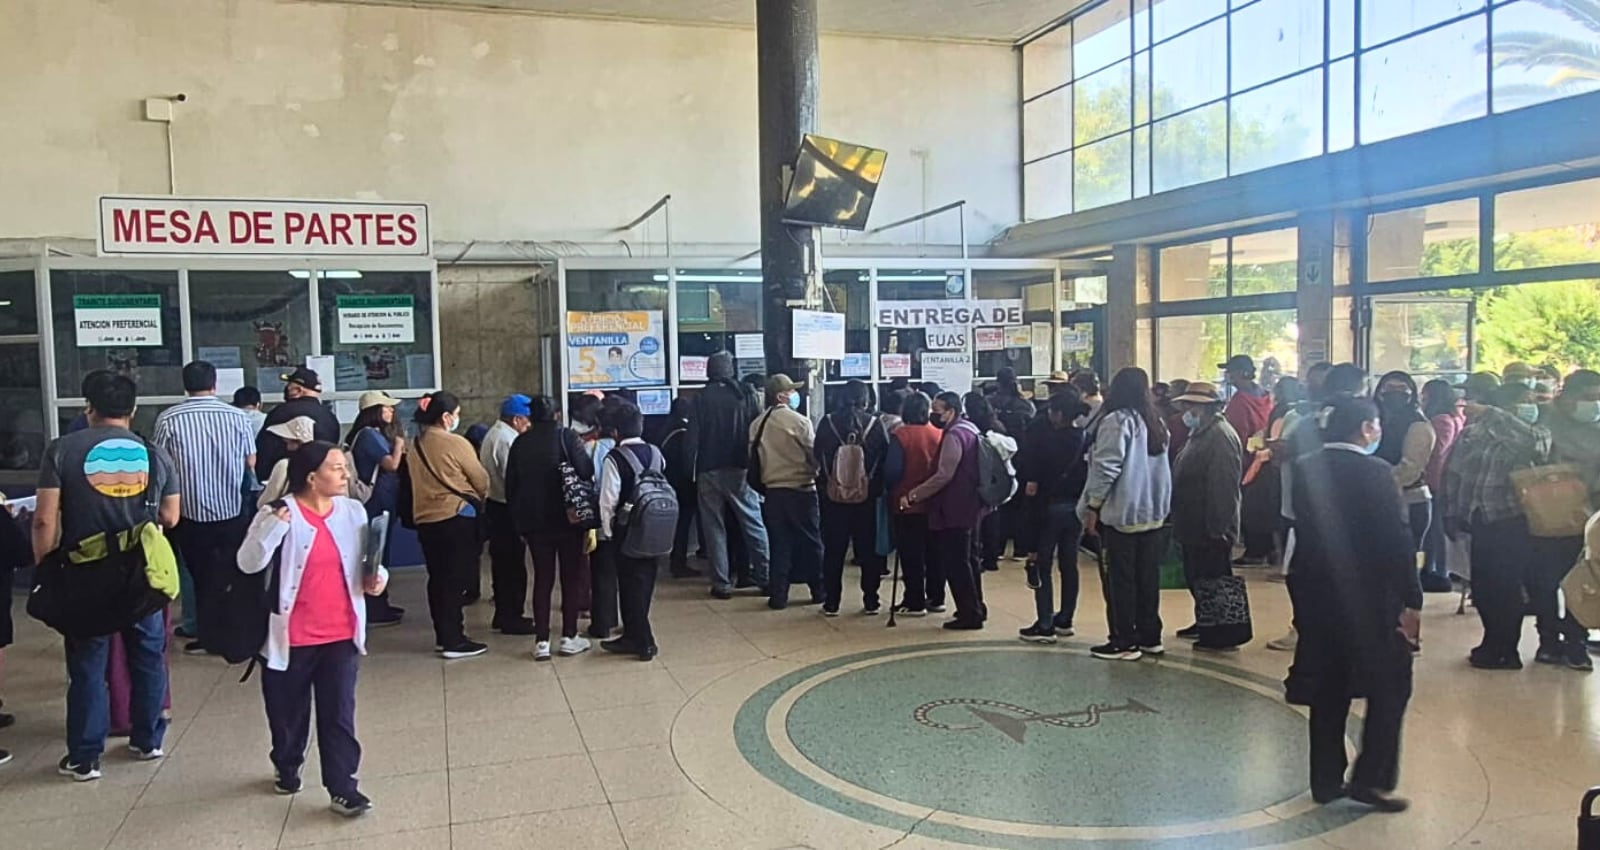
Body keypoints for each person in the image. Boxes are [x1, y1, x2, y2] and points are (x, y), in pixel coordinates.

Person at [33, 371, 181, 780]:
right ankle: (148, 739)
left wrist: (45, 565)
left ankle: (84, 757)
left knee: (87, 664)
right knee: (148, 656)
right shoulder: (154, 452)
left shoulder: (61, 450)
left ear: (88, 407)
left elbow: (44, 520)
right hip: (140, 572)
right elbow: (171, 516)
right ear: (132, 410)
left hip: (84, 572)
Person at [238, 442, 388, 816]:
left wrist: (377, 579)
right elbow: (248, 563)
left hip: (341, 632)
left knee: (339, 713)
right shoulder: (278, 513)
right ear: (311, 477)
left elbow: (368, 560)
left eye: (344, 468)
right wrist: (274, 528)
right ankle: (287, 764)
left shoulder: (352, 511)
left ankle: (343, 787)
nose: (346, 475)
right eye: (337, 469)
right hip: (291, 636)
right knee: (288, 714)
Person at [1287, 394, 1420, 813]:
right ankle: (1372, 778)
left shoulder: (1306, 467)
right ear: (1366, 427)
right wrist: (1411, 600)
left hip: (1318, 592)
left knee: (1329, 686)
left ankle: (1325, 779)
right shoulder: (1376, 472)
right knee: (1391, 685)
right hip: (1369, 597)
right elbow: (1396, 541)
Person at [1444, 382, 1559, 670]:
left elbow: (1533, 444)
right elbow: (1455, 473)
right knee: (1483, 588)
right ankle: (1491, 639)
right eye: (1523, 400)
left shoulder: (1537, 433)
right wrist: (1451, 511)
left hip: (1515, 520)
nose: (1531, 405)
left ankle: (1507, 647)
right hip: (1480, 518)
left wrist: (1493, 414)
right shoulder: (1473, 434)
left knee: (1507, 587)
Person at [152, 360, 257, 656]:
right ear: (215, 384)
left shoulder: (168, 418)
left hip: (189, 512)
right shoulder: (238, 417)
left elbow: (160, 463)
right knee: (230, 573)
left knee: (200, 576)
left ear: (185, 385)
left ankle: (207, 635)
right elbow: (251, 461)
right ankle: (234, 632)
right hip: (231, 510)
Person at [1080, 367, 1172, 661]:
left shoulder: (1117, 422)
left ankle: (1123, 640)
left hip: (1122, 514)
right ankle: (1150, 636)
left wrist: (1093, 506)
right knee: (1147, 579)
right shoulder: (1155, 422)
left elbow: (1107, 468)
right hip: (1153, 513)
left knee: (1120, 581)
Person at [506, 396, 594, 660]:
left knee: (542, 580)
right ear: (557, 414)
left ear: (531, 416)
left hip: (535, 523)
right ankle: (569, 636)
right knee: (570, 577)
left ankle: (541, 641)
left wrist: (520, 522)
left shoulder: (520, 442)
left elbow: (511, 485)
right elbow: (586, 469)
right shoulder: (566, 437)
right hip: (568, 520)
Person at [407, 391, 491, 659]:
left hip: (426, 520)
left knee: (438, 578)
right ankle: (455, 639)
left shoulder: (415, 445)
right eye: (456, 413)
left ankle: (443, 636)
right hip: (455, 518)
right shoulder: (455, 443)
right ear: (445, 417)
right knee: (455, 580)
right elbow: (480, 480)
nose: (457, 418)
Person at [1168, 382, 1248, 651]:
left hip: (1210, 524)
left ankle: (1222, 632)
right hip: (1193, 522)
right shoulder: (1200, 433)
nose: (1186, 411)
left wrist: (1219, 527)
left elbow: (1223, 485)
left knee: (1214, 578)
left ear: (1207, 408)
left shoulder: (1220, 436)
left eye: (1192, 406)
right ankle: (1205, 620)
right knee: (1198, 576)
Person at [1532, 370, 1600, 668]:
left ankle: (1576, 640)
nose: (1594, 404)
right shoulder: (1543, 421)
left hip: (1588, 517)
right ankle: (1548, 639)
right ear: (1568, 396)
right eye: (1588, 397)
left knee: (1583, 581)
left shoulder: (1596, 429)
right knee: (1544, 580)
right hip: (1546, 515)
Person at [690, 352, 771, 599]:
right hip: (741, 469)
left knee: (714, 528)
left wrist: (689, 472)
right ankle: (766, 576)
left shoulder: (701, 398)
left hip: (709, 469)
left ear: (709, 371)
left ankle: (721, 583)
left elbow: (692, 439)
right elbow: (758, 431)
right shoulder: (746, 393)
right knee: (753, 523)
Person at [905, 392, 987, 630]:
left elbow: (944, 475)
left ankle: (968, 613)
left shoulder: (953, 435)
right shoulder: (970, 428)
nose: (934, 413)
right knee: (970, 559)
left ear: (951, 410)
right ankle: (977, 607)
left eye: (938, 409)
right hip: (972, 504)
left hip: (955, 507)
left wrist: (914, 495)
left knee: (957, 562)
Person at [1015, 387, 1090, 643]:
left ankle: (1045, 622)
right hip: (1076, 508)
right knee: (1069, 565)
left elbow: (1033, 484)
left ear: (1058, 414)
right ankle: (1065, 618)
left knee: (1042, 564)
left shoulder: (1045, 442)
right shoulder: (1083, 438)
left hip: (1049, 508)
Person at [814, 380, 889, 616]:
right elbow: (885, 457)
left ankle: (832, 602)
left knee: (834, 549)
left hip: (833, 498)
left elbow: (817, 454)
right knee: (868, 550)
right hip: (867, 498)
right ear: (866, 398)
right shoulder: (875, 424)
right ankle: (871, 599)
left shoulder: (827, 423)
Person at [751, 374, 824, 609]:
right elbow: (815, 454)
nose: (795, 395)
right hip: (802, 490)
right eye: (791, 391)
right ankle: (818, 590)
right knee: (811, 543)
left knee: (779, 544)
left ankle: (778, 595)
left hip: (773, 492)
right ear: (781, 395)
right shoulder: (800, 422)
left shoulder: (757, 424)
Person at [596, 401, 661, 660]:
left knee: (629, 584)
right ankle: (633, 633)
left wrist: (608, 533)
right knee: (645, 583)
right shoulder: (656, 452)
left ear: (614, 432)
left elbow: (607, 500)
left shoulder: (615, 457)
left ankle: (643, 641)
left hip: (627, 530)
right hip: (655, 526)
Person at [1371, 372, 1442, 594]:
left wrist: (1373, 483)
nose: (1394, 394)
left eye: (1401, 389)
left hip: (1410, 501)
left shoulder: (1419, 425)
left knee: (1405, 567)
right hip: (1378, 499)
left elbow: (1410, 469)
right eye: (1388, 388)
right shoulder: (1375, 420)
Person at [344, 391, 407, 627]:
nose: (391, 412)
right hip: (376, 501)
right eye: (387, 408)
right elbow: (391, 464)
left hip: (383, 500)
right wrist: (399, 445)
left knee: (379, 552)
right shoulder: (369, 436)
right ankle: (374, 605)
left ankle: (380, 601)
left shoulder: (373, 435)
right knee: (375, 553)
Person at [885, 392, 944, 617]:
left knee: (911, 554)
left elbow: (892, 472)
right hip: (935, 503)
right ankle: (936, 597)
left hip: (906, 502)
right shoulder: (939, 434)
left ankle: (914, 600)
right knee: (934, 552)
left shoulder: (901, 436)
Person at [480, 394, 534, 635]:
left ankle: (505, 614)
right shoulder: (506, 440)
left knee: (504, 564)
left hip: (497, 505)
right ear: (516, 419)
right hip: (505, 507)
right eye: (527, 420)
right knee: (511, 566)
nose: (529, 425)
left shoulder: (496, 433)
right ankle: (512, 616)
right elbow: (512, 478)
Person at [1222, 355, 1275, 565]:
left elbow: (1236, 433)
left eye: (1232, 371)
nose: (1229, 376)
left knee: (1249, 508)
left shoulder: (1239, 401)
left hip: (1246, 459)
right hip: (1264, 456)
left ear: (1242, 372)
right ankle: (1269, 548)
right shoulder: (1266, 397)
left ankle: (1255, 551)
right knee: (1263, 505)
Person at [987, 367, 1036, 564]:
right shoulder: (1026, 405)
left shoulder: (991, 403)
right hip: (1022, 458)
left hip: (998, 458)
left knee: (999, 504)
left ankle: (997, 547)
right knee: (1021, 506)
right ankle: (1021, 548)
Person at [968, 393, 1019, 579]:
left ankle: (983, 554)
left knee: (981, 519)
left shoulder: (975, 429)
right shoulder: (997, 426)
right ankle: (992, 556)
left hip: (982, 478)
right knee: (994, 516)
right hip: (1001, 477)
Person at [1419, 379, 1462, 591]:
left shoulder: (1442, 420)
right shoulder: (1453, 417)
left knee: (1435, 529)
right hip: (1439, 479)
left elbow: (1436, 451)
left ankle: (1437, 570)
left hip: (1435, 480)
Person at [257, 368, 341, 477]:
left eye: (289, 385)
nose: (286, 388)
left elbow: (264, 449)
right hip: (322, 478)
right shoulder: (330, 417)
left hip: (285, 479)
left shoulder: (280, 412)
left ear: (298, 390)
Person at [660, 397, 700, 578]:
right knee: (683, 525)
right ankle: (679, 562)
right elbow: (688, 461)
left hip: (669, 484)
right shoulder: (683, 433)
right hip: (684, 486)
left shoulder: (666, 429)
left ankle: (677, 559)